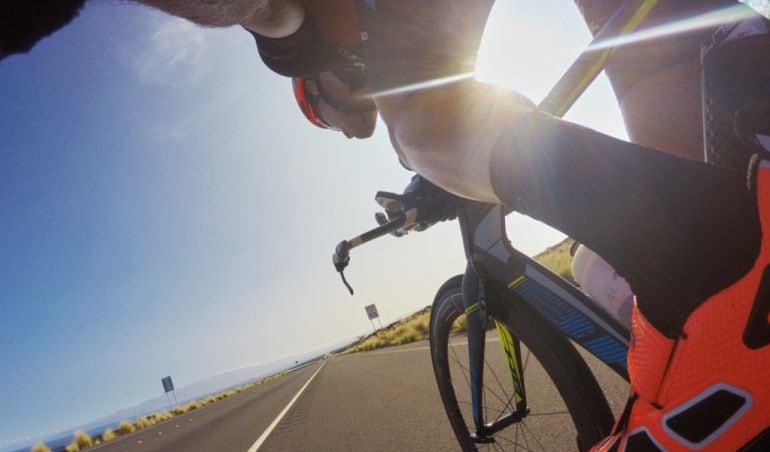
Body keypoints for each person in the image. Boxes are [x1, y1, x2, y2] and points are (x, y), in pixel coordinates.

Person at [3, 0, 770, 448]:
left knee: (421, 123)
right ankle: (741, 128)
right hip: (712, 69)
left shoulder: (313, 41)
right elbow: (493, 114)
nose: (356, 102)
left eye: (341, 104)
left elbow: (446, 108)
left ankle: (714, 268)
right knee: (602, 258)